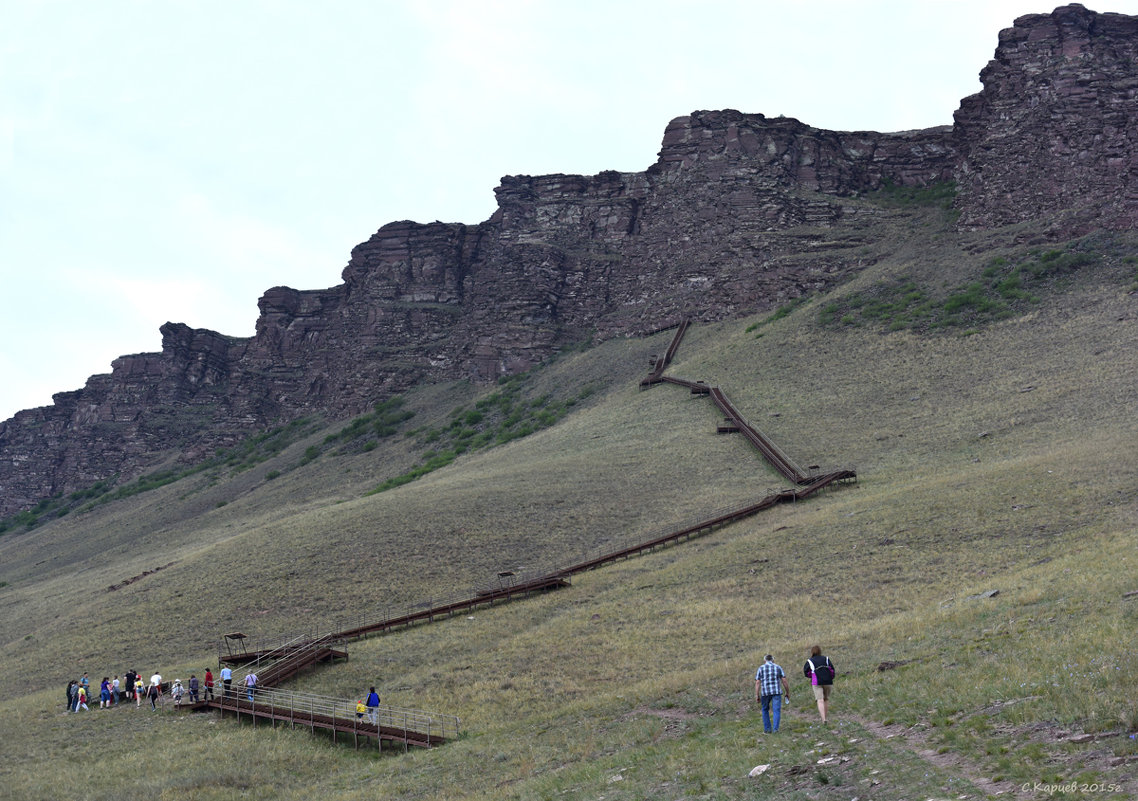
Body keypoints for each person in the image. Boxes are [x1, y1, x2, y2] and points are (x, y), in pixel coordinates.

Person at [754, 654, 790, 733]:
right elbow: (784, 680)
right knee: (776, 710)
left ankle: (767, 729)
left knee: (765, 709)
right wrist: (787, 692)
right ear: (773, 660)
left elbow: (757, 682)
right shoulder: (778, 667)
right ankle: (775, 729)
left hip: (765, 693)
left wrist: (757, 695)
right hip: (776, 692)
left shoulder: (761, 668)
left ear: (765, 660)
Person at [803, 645, 836, 724]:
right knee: (826, 699)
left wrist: (812, 676)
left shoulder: (810, 661)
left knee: (820, 700)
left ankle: (823, 719)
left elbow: (806, 672)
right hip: (828, 681)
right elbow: (832, 670)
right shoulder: (826, 659)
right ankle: (826, 716)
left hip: (817, 682)